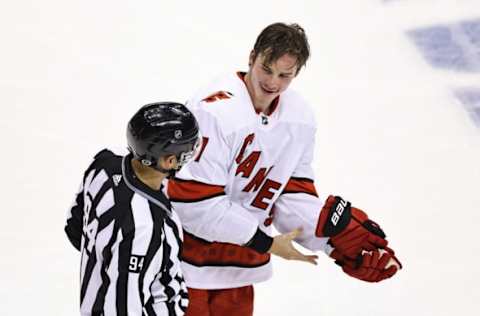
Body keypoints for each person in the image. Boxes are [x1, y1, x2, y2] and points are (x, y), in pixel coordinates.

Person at [167, 23, 402, 316]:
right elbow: (194, 203)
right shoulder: (214, 111)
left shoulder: (299, 118)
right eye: (266, 69)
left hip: (238, 267)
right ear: (252, 57)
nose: (272, 82)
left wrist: (332, 237)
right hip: (182, 263)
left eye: (284, 75)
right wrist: (265, 241)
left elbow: (289, 192)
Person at [65, 102, 201, 316]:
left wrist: (107, 255)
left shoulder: (104, 163)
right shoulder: (145, 228)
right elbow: (122, 309)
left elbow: (74, 227)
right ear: (169, 161)